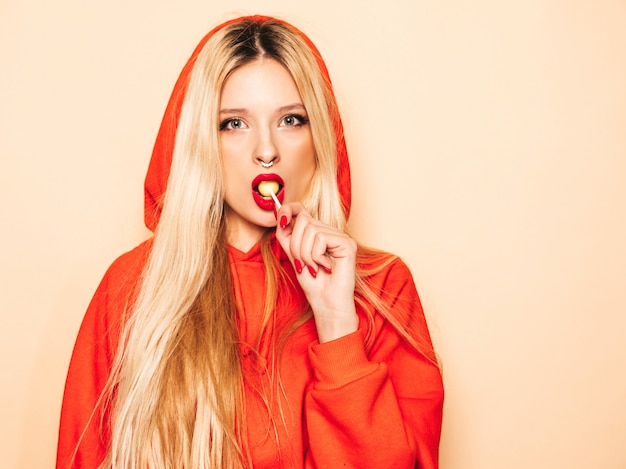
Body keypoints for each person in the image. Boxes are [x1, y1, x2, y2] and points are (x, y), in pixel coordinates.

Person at [56, 15, 444, 469]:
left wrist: (337, 322)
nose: (266, 149)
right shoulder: (132, 288)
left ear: (319, 136)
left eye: (291, 120)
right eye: (234, 124)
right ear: (201, 139)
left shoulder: (381, 290)